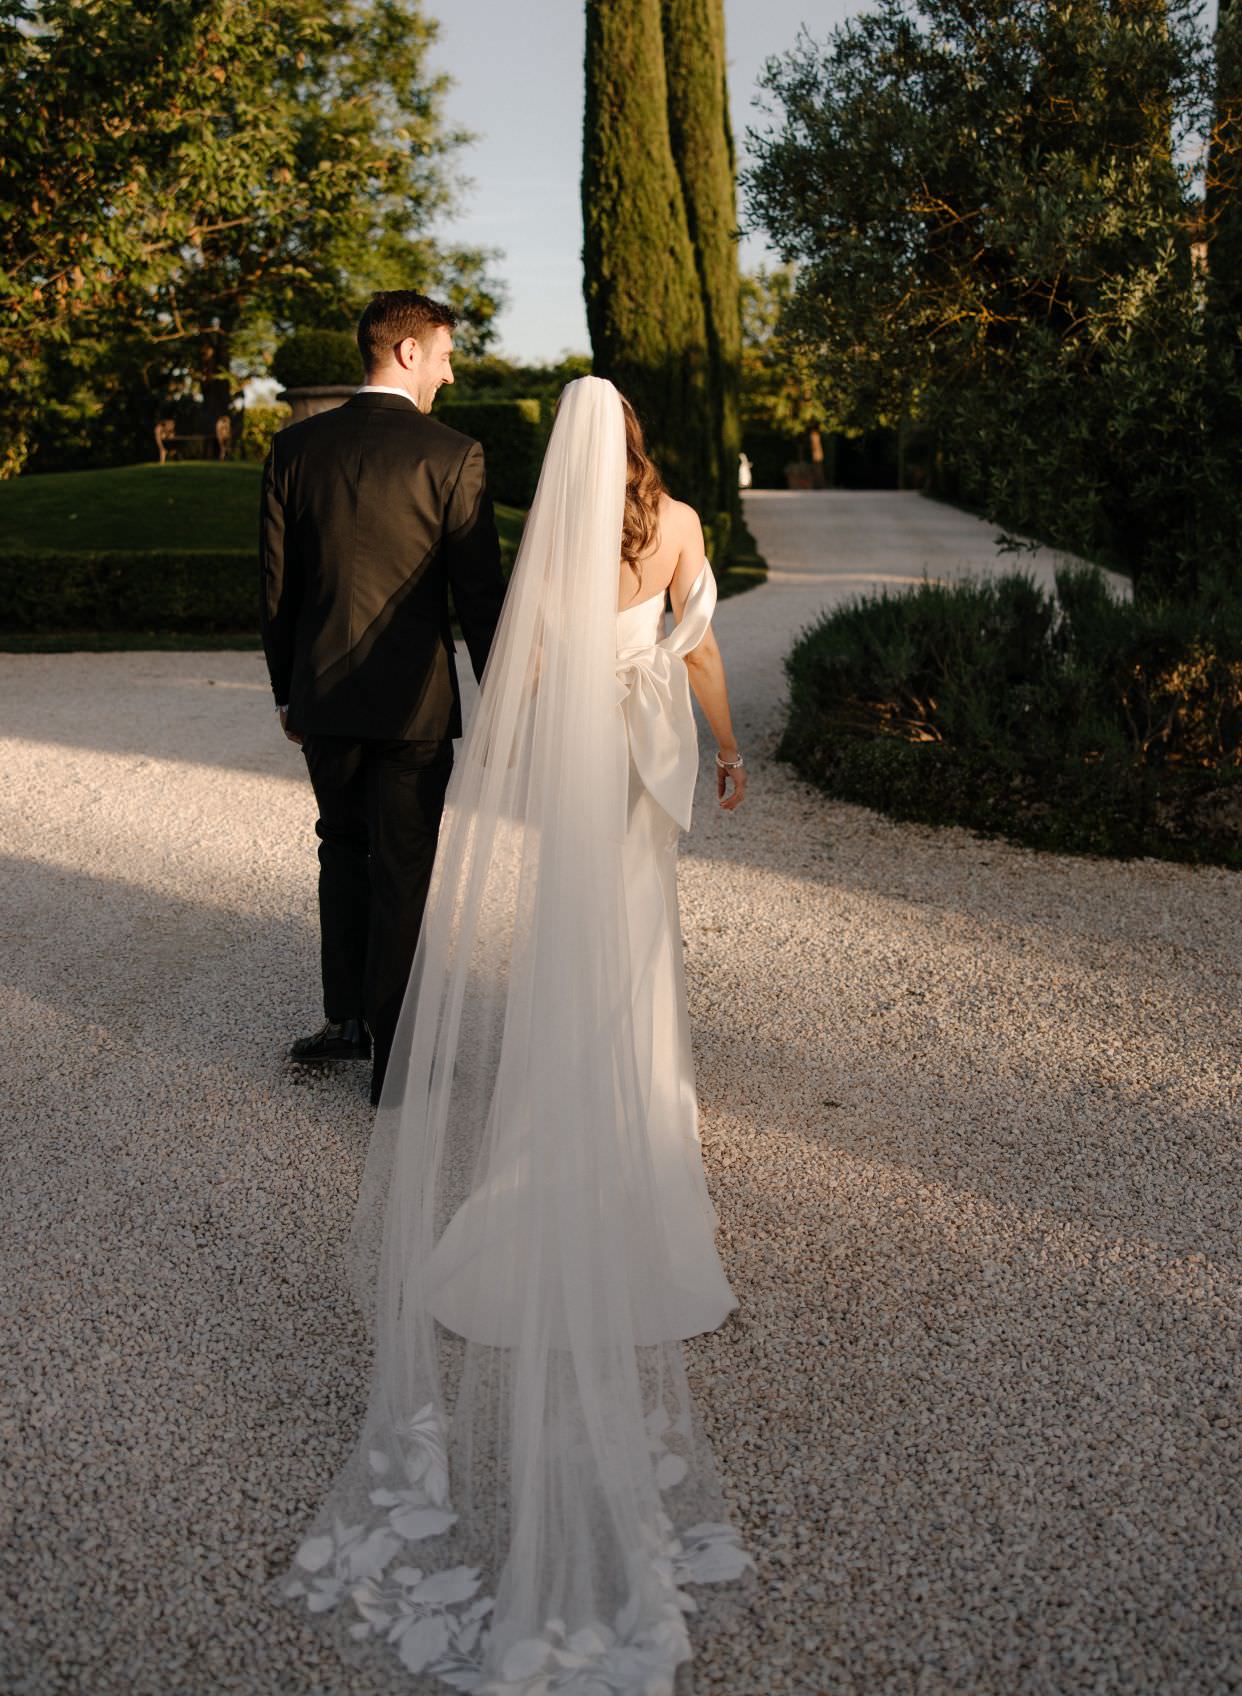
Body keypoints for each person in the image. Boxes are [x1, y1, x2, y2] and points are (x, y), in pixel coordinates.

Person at [272, 375, 754, 1695]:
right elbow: (701, 651)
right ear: (638, 441)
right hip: (645, 767)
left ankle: (557, 1130)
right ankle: (641, 1121)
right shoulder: (682, 524)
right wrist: (722, 749)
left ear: (568, 451)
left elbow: (522, 673)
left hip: (579, 775)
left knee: (564, 954)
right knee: (639, 949)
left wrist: (534, 751)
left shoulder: (552, 537)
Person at [259, 290, 506, 1105]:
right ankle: (396, 1058)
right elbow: (478, 597)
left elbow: (276, 588)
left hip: (322, 696)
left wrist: (287, 693)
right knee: (403, 867)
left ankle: (346, 1022)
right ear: (406, 352)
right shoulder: (454, 455)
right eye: (444, 355)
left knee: (340, 847)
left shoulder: (294, 447)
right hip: (414, 706)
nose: (448, 373)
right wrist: (504, 694)